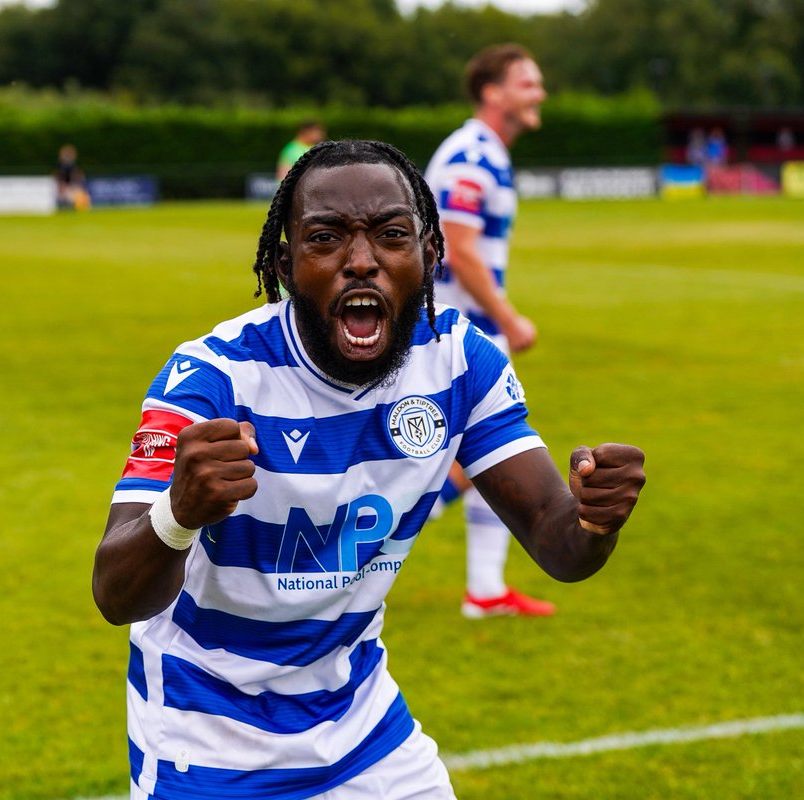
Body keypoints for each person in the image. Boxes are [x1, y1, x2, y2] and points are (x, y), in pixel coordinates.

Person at [93, 139, 646, 799]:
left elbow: (559, 545)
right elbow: (115, 594)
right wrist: (178, 514)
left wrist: (595, 517)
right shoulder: (211, 378)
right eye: (325, 238)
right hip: (206, 736)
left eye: (391, 235)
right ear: (286, 264)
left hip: (362, 726)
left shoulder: (460, 363)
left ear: (429, 254)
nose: (363, 261)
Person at [423, 43, 555, 618]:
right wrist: (507, 316)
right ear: (492, 92)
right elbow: (458, 247)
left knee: (487, 456)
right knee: (462, 460)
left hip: (468, 334)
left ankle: (486, 590)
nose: (539, 92)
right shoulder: (472, 155)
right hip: (458, 335)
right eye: (528, 82)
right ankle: (342, 549)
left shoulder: (487, 153)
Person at [54, 143, 90, 211]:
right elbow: (58, 176)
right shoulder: (61, 166)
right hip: (65, 185)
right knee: (65, 198)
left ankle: (75, 207)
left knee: (78, 196)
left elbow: (77, 175)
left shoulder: (73, 165)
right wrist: (61, 185)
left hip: (72, 185)